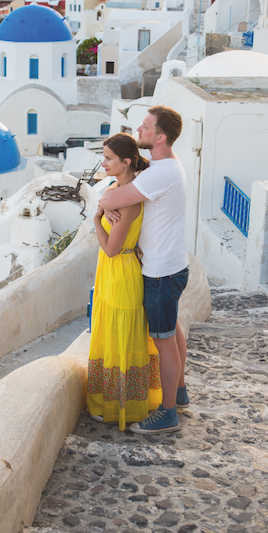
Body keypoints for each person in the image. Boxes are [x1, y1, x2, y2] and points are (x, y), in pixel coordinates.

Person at [99, 105, 189, 434]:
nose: (139, 129)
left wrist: (103, 210)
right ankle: (179, 391)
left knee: (163, 340)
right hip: (173, 264)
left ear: (160, 137)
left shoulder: (159, 173)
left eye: (146, 126)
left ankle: (167, 413)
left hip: (161, 270)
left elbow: (110, 200)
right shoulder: (165, 167)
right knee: (173, 329)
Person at [87, 133, 162, 431]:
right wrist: (104, 208)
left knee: (121, 340)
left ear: (126, 162)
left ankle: (123, 408)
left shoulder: (129, 199)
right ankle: (108, 403)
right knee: (109, 335)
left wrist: (97, 219)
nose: (103, 163)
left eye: (108, 158)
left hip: (121, 271)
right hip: (110, 274)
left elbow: (111, 248)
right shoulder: (117, 190)